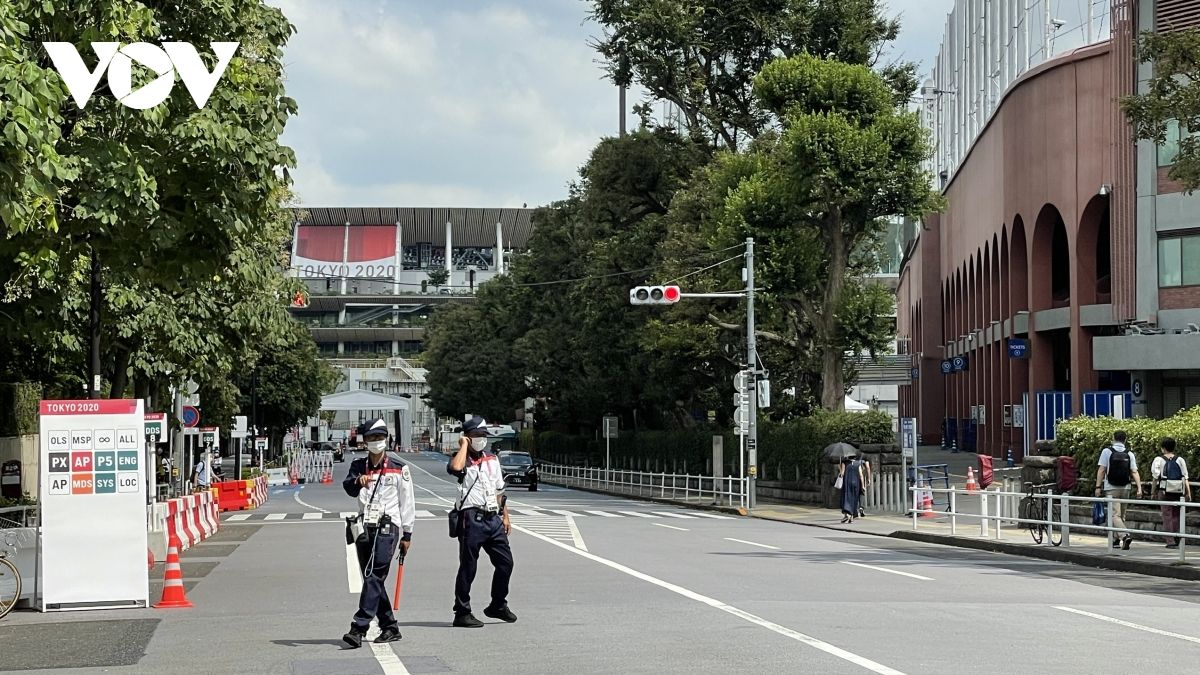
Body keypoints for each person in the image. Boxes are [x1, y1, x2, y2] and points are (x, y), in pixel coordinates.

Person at [341, 418, 415, 648]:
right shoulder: (358, 466)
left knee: (374, 575)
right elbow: (348, 488)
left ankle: (358, 627)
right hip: (364, 527)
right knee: (373, 578)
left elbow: (407, 503)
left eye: (380, 438)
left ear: (387, 440)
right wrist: (358, 482)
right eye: (372, 438)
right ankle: (390, 627)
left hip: (388, 527)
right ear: (365, 442)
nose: (376, 442)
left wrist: (407, 534)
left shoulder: (399, 468)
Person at [448, 416, 516, 628]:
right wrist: (463, 447)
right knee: (468, 566)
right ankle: (462, 611)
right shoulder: (462, 459)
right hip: (471, 517)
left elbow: (499, 490)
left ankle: (497, 603)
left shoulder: (492, 459)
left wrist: (505, 515)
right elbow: (455, 469)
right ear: (467, 437)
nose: (481, 439)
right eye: (476, 435)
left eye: (483, 435)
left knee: (506, 563)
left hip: (492, 517)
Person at [1094, 430, 1143, 550]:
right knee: (1122, 515)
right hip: (1126, 487)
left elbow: (1101, 470)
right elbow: (1134, 471)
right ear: (1125, 440)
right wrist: (1139, 488)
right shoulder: (1129, 453)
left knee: (1114, 515)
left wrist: (1098, 487)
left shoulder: (1107, 451)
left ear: (1113, 438)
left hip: (1111, 487)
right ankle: (1116, 540)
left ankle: (1124, 536)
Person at [1151, 437, 1191, 548]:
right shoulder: (1180, 460)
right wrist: (1188, 492)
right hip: (1178, 490)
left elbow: (1155, 477)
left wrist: (1153, 492)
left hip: (1164, 491)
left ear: (1163, 448)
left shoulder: (1158, 459)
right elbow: (1185, 477)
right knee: (1176, 514)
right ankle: (1177, 534)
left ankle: (1170, 540)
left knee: (1166, 515)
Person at [838, 456, 865, 524]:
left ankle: (847, 515)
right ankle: (852, 517)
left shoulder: (845, 463)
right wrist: (863, 486)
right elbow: (861, 475)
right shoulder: (858, 463)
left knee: (846, 499)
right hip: (856, 483)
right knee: (854, 499)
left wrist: (840, 468)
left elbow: (842, 474)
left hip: (847, 483)